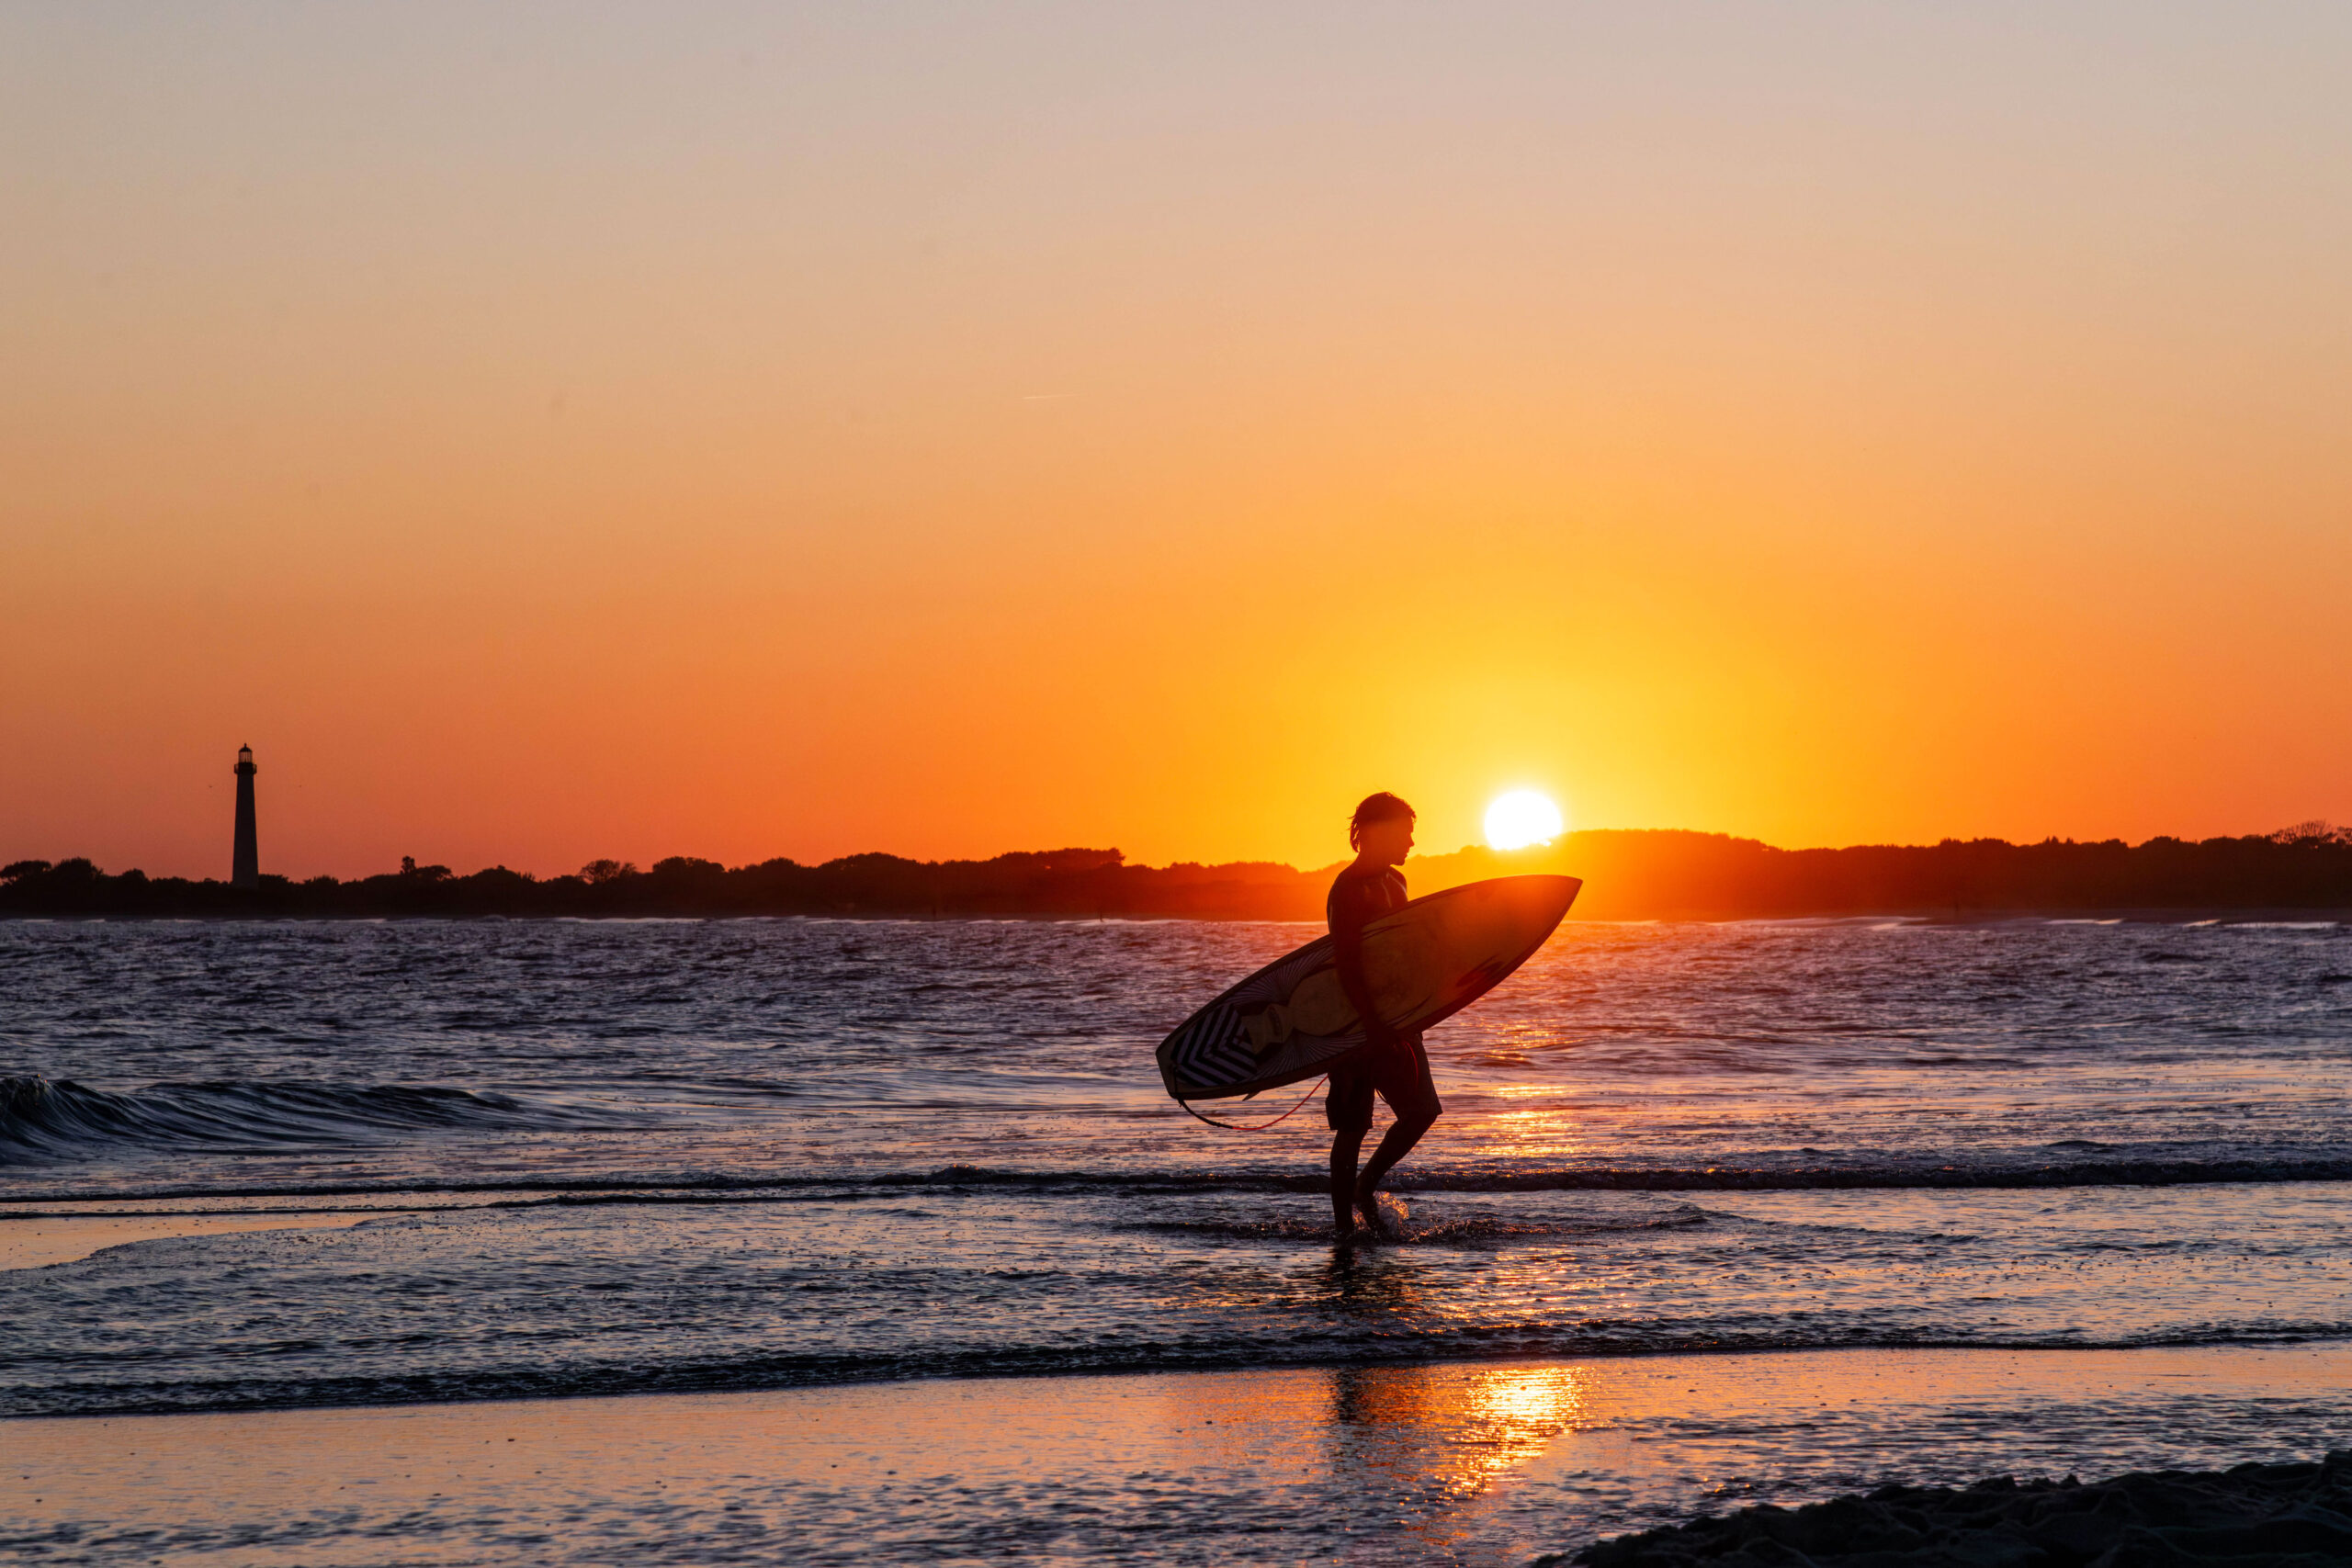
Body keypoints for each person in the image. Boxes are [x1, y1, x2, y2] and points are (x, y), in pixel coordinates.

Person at [1327, 792, 1442, 1237]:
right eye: (1406, 833)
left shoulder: (1397, 883)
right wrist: (1372, 1025)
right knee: (1353, 1126)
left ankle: (1364, 1187)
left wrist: (1421, 1007)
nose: (1412, 842)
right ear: (1378, 833)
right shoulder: (1347, 890)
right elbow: (1348, 966)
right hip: (1357, 1027)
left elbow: (1404, 953)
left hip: (1398, 1022)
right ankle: (1342, 1230)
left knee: (1422, 1111)